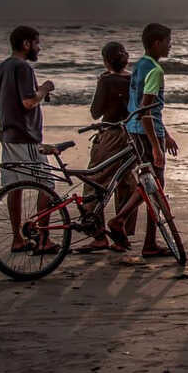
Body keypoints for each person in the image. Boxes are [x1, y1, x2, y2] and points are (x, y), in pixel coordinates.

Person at [105, 23, 179, 256]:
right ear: (156, 43)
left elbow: (141, 107)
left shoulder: (140, 66)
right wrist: (157, 145)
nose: (170, 45)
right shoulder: (155, 70)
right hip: (146, 133)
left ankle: (150, 242)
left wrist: (164, 133)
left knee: (152, 184)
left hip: (135, 129)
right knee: (153, 186)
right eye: (168, 41)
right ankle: (121, 219)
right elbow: (146, 111)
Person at [0, 25, 58, 255]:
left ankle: (17, 238)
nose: (39, 48)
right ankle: (43, 237)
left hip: (7, 135)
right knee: (47, 184)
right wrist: (45, 88)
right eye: (37, 43)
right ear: (26, 44)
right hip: (25, 136)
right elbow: (29, 102)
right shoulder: (23, 67)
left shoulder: (1, 68)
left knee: (14, 187)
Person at [75, 41, 138, 253]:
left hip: (110, 135)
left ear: (105, 61)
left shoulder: (106, 80)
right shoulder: (133, 79)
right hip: (131, 134)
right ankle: (122, 235)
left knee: (94, 182)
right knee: (126, 183)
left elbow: (95, 111)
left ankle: (98, 235)